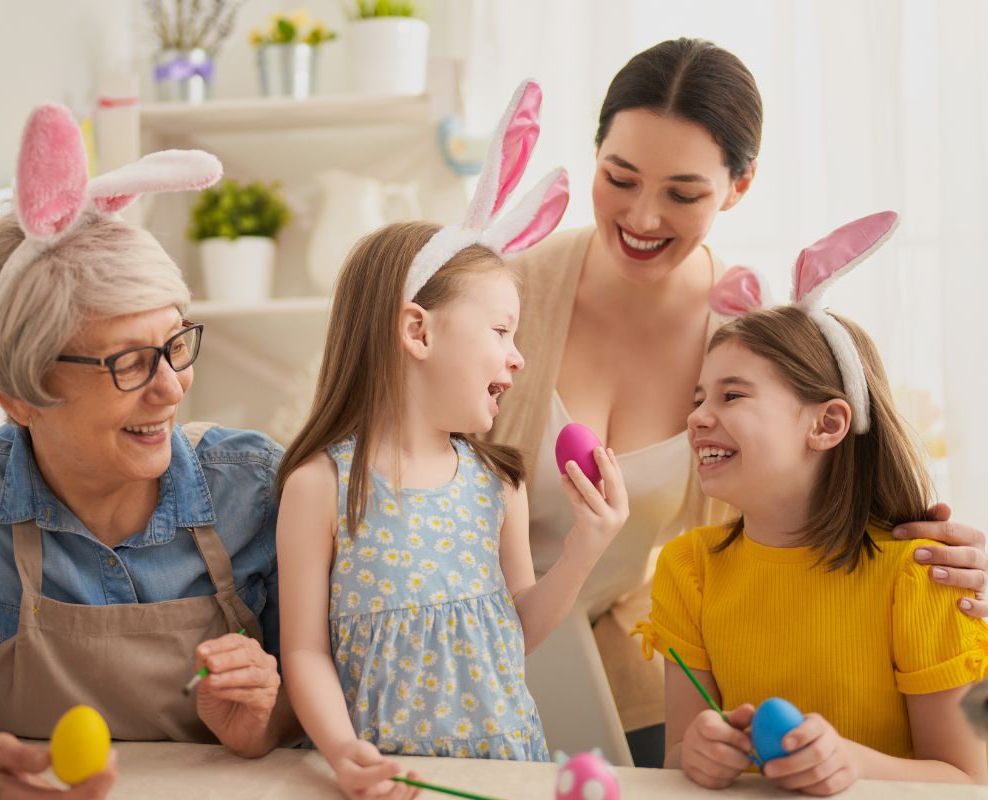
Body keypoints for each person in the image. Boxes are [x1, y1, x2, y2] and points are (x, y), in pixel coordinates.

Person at [487, 37, 988, 766]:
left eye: (683, 193)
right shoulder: (503, 295)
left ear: (738, 187)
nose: (643, 216)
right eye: (619, 177)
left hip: (624, 671)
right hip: (465, 638)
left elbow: (830, 488)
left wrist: (953, 565)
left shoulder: (745, 338)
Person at [0, 105, 296, 799]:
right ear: (16, 393)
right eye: (129, 362)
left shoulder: (252, 488)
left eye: (175, 344)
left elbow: (332, 702)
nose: (171, 387)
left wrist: (268, 717)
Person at [275, 82, 629, 800]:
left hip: (506, 773)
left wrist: (586, 549)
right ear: (417, 330)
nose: (518, 357)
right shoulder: (321, 485)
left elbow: (515, 627)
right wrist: (343, 753)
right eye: (501, 331)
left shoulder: (498, 483)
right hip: (390, 784)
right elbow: (305, 650)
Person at [635, 213, 988, 793]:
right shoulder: (687, 568)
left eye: (732, 394)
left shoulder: (924, 574)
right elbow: (679, 755)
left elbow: (965, 780)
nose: (698, 416)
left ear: (826, 424)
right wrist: (696, 752)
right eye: (699, 397)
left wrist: (852, 764)